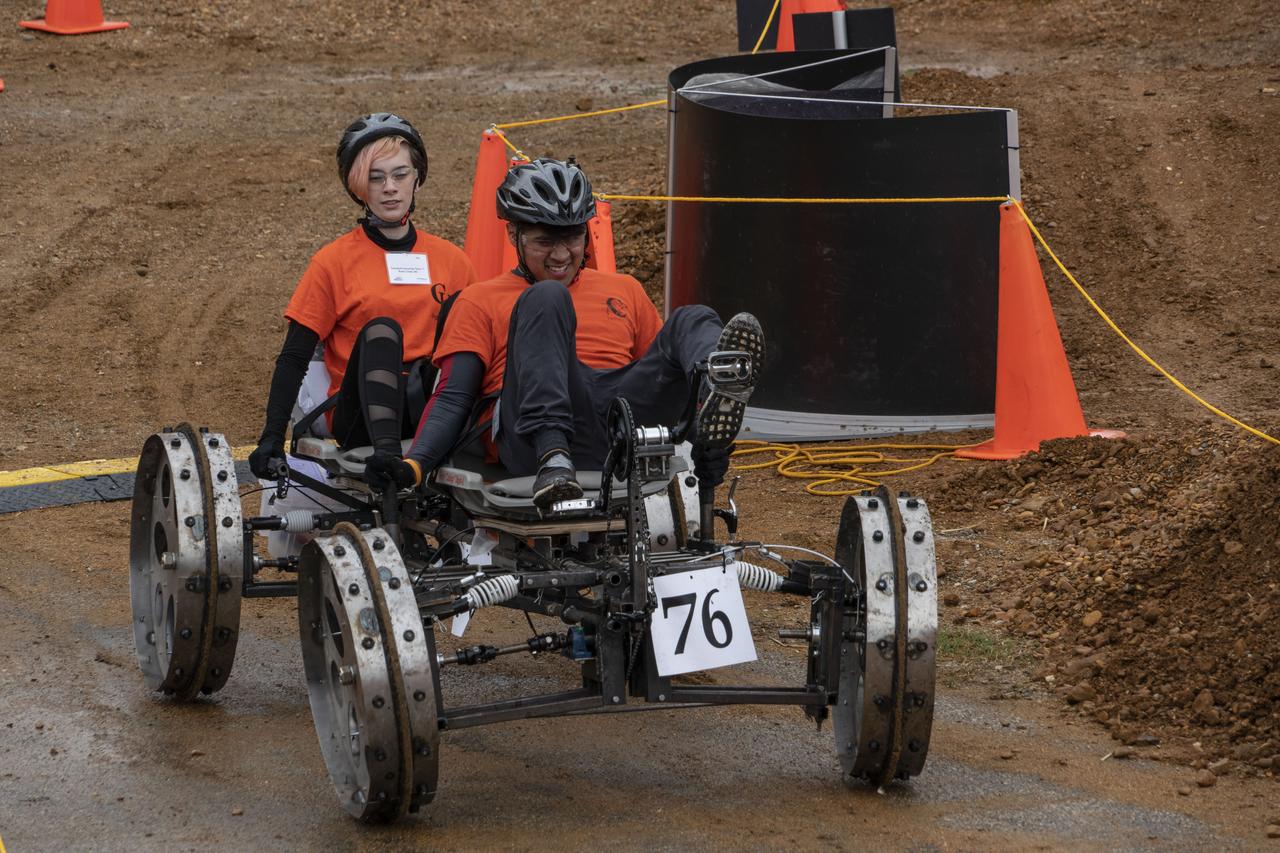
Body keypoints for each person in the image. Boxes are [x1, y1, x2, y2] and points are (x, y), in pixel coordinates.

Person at [364, 158, 764, 510]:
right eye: (544, 241)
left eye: (572, 238)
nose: (560, 255)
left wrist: (701, 442)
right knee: (548, 298)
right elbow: (452, 395)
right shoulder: (479, 300)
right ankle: (553, 456)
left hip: (615, 424)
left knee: (692, 318)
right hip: (528, 432)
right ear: (513, 237)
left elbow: (659, 376)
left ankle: (716, 389)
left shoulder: (624, 289)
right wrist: (415, 464)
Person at [249, 112, 476, 480]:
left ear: (417, 179)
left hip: (429, 408)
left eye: (400, 174)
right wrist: (271, 437)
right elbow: (294, 357)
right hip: (359, 418)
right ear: (359, 187)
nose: (390, 188)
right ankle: (387, 460)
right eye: (376, 178)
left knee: (464, 326)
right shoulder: (332, 263)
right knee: (382, 330)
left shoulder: (453, 261)